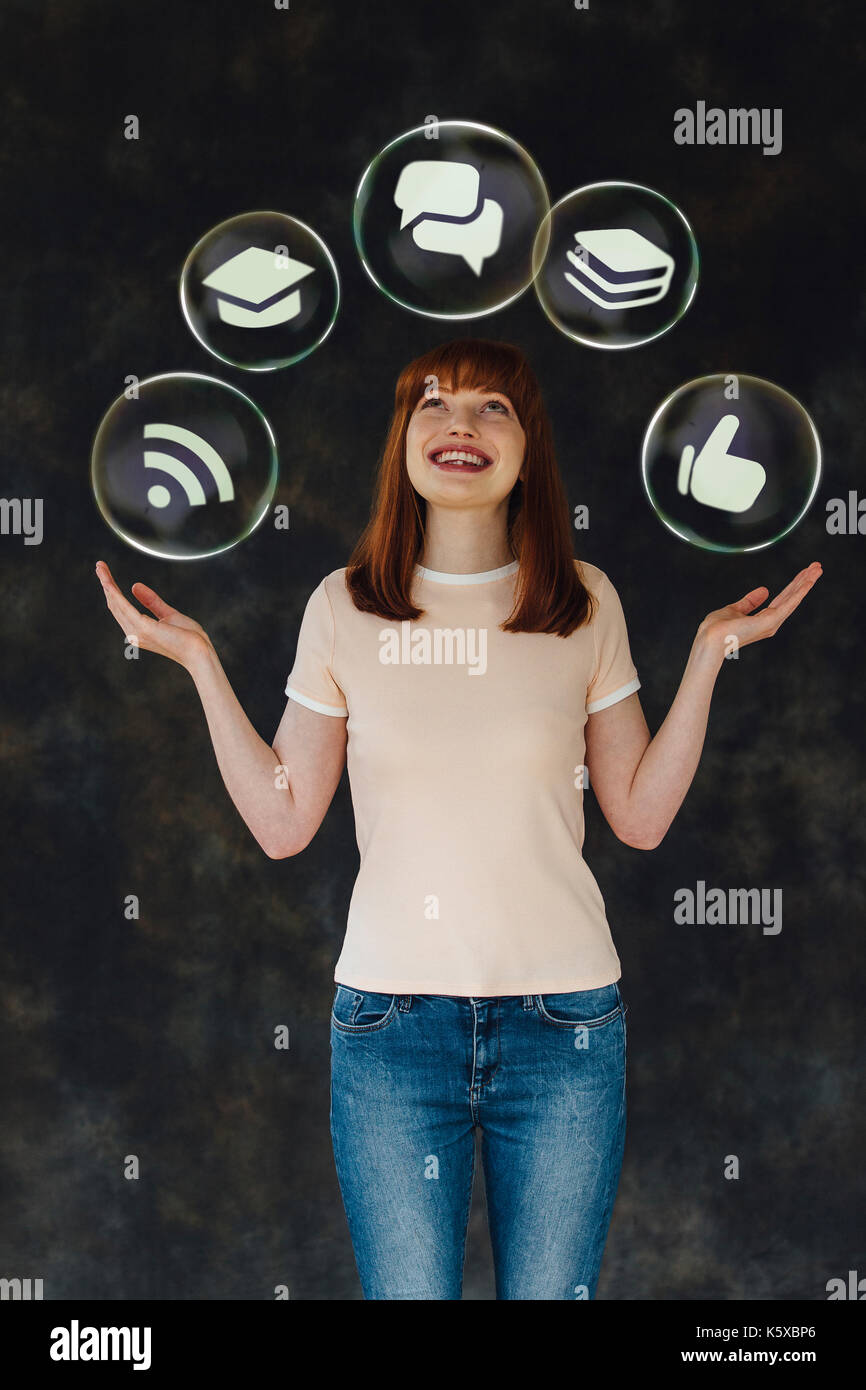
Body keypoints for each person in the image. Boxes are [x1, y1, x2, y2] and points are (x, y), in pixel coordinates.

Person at [95, 338, 822, 1300]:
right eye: (433, 404)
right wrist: (197, 661)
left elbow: (639, 816)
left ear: (529, 449)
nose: (460, 423)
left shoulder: (583, 604)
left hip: (565, 1028)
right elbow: (283, 822)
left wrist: (708, 653)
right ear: (403, 440)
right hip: (390, 1033)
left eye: (495, 408)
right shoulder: (344, 607)